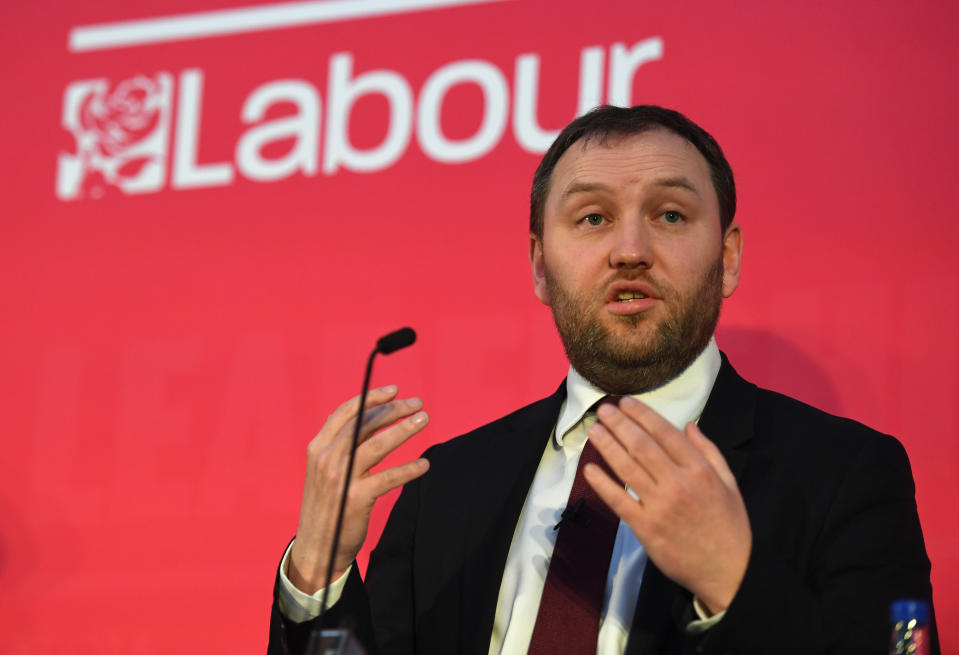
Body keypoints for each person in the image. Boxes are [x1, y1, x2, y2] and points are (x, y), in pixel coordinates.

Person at [267, 105, 938, 654]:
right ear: (538, 266)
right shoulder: (444, 487)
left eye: (669, 215)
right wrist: (318, 576)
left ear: (726, 257)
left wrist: (734, 581)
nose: (629, 250)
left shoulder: (845, 472)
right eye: (591, 218)